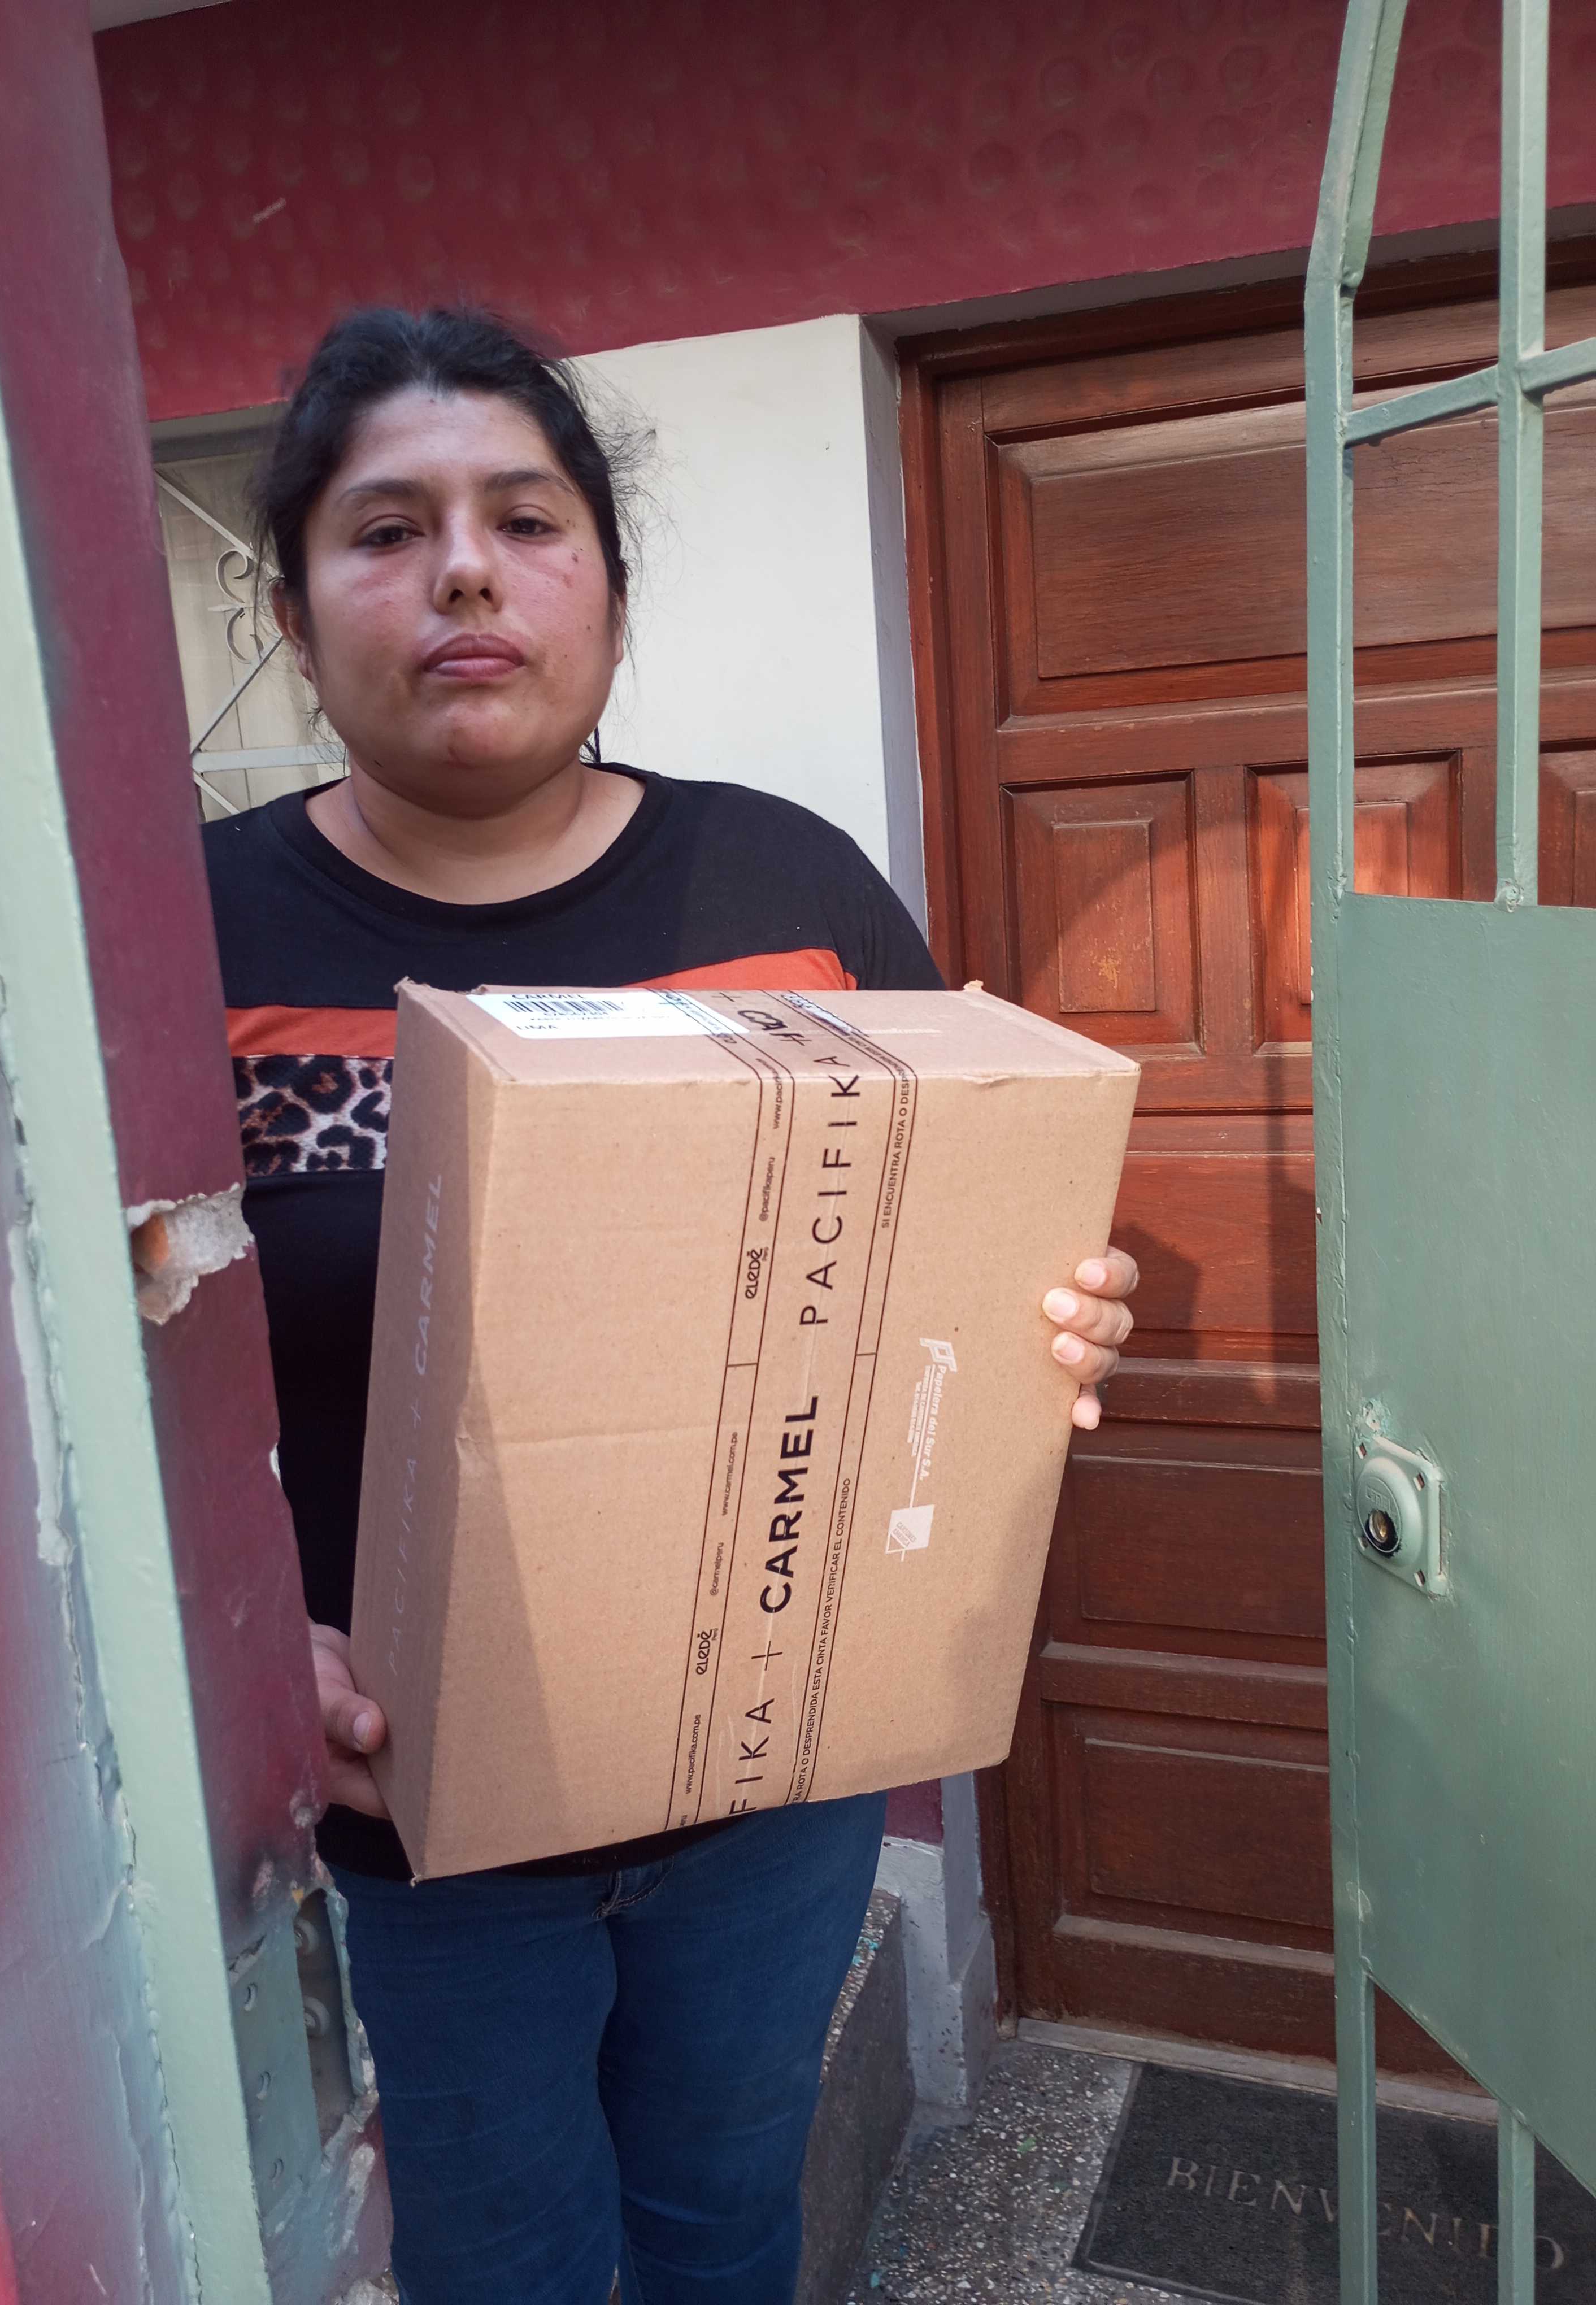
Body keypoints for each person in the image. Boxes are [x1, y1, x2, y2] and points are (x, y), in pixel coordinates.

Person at [203, 307, 1138, 2305]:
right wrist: (246, 1642)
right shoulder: (191, 936)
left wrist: (1047, 1323)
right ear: (292, 613)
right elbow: (93, 1403)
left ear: (610, 595)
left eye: (526, 519)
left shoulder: (783, 886)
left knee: (723, 2231)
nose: (465, 572)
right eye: (388, 529)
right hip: (412, 1823)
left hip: (767, 1800)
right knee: (506, 2268)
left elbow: (949, 1244)